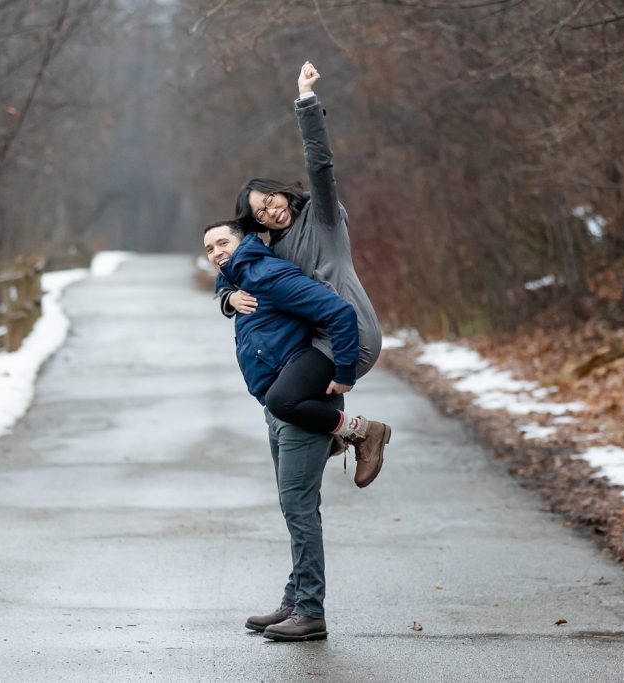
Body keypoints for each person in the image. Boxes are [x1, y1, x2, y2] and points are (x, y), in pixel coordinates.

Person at [202, 220, 390, 642]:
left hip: (301, 403)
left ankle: (310, 611)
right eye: (210, 248)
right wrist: (227, 296)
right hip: (277, 406)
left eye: (223, 243)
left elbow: (338, 312)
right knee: (295, 507)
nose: (216, 252)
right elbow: (226, 285)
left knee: (299, 509)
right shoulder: (241, 276)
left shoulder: (268, 274)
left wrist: (344, 374)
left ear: (245, 242)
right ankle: (294, 599)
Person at [217, 61, 387, 483]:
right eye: (260, 212)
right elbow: (235, 261)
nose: (271, 210)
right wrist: (227, 296)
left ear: (280, 191)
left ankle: (365, 433)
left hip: (350, 331)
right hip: (319, 338)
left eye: (270, 199)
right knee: (273, 383)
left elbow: (320, 165)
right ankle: (329, 433)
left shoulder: (322, 216)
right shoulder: (272, 248)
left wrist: (306, 100)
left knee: (283, 401)